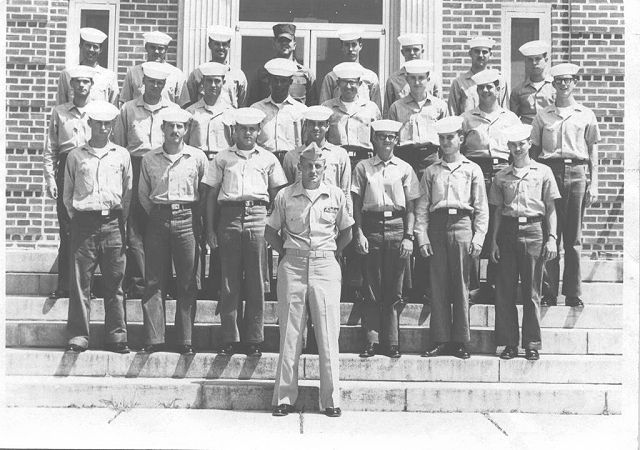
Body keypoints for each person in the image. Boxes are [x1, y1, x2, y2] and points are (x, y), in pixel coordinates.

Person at [266, 143, 353, 418]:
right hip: (293, 264)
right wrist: (290, 253)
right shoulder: (285, 195)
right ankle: (284, 398)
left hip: (325, 264)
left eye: (318, 166)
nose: (313, 170)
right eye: (307, 166)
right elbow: (270, 232)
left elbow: (347, 232)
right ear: (298, 168)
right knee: (290, 334)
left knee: (328, 334)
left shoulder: (335, 195)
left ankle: (330, 400)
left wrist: (328, 254)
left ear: (324, 169)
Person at [203, 107, 288, 356]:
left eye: (252, 129)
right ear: (234, 131)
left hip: (258, 215)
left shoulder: (268, 159)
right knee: (229, 280)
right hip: (229, 216)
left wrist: (274, 226)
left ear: (259, 131)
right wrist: (209, 229)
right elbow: (210, 194)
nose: (247, 133)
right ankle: (229, 337)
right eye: (243, 129)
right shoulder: (221, 158)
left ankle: (254, 338)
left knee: (256, 279)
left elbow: (278, 195)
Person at [414, 116, 488, 359]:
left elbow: (481, 207)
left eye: (450, 138)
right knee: (438, 285)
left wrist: (479, 237)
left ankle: (460, 341)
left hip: (462, 225)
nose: (446, 143)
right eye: (442, 138)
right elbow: (423, 207)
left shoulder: (471, 169)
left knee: (461, 285)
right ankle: (440, 339)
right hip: (437, 226)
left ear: (461, 139)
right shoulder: (432, 171)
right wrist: (422, 237)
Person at [138, 108, 208, 355]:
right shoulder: (149, 158)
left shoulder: (197, 158)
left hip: (187, 218)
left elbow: (203, 192)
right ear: (162, 129)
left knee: (188, 281)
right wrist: (160, 213)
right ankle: (154, 338)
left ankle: (185, 339)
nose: (175, 131)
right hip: (158, 217)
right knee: (154, 279)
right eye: (170, 126)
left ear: (186, 130)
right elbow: (143, 195)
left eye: (180, 127)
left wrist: (192, 216)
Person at [63, 101, 132, 353]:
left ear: (113, 125)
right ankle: (79, 336)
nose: (104, 127)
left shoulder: (122, 155)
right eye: (99, 122)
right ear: (89, 123)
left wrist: (119, 221)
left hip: (112, 222)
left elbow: (128, 192)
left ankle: (117, 336)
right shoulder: (75, 155)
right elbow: (68, 194)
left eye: (108, 123)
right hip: (84, 222)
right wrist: (81, 217)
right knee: (81, 282)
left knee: (116, 282)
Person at [531, 63, 601, 307]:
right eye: (558, 80)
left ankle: (573, 293)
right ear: (553, 84)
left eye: (568, 80)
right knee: (550, 233)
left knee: (573, 237)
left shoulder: (585, 114)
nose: (563, 84)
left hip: (577, 173)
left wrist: (594, 184)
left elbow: (593, 150)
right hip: (550, 172)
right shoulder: (543, 115)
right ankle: (549, 293)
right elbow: (535, 150)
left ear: (575, 83)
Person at [489, 123, 560, 361]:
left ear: (529, 144)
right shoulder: (501, 176)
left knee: (532, 292)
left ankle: (531, 343)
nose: (517, 148)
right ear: (508, 147)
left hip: (534, 231)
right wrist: (494, 242)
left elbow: (550, 209)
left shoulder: (543, 172)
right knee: (505, 292)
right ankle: (509, 343)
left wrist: (551, 238)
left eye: (521, 144)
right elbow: (498, 211)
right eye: (513, 145)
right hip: (508, 232)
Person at [352, 119, 420, 359]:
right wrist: (358, 232)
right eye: (381, 137)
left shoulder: (404, 168)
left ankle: (391, 341)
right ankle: (372, 340)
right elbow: (356, 204)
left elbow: (412, 206)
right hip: (371, 225)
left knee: (394, 286)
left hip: (396, 225)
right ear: (373, 140)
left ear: (397, 141)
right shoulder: (363, 167)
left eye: (391, 137)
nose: (386, 141)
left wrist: (409, 236)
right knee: (371, 286)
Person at [388, 59, 448, 304]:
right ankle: (406, 286)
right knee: (407, 217)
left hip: (431, 159)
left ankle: (425, 285)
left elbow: (446, 137)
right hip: (406, 158)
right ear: (407, 80)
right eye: (412, 78)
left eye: (421, 78)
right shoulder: (397, 107)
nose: (417, 82)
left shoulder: (439, 106)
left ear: (428, 79)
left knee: (426, 218)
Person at [113, 61, 174, 298]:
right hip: (135, 164)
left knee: (161, 224)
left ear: (164, 85)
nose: (155, 87)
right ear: (143, 83)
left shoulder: (172, 109)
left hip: (162, 165)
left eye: (160, 83)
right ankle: (139, 283)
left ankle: (162, 284)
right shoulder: (128, 109)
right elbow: (119, 145)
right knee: (135, 227)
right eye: (151, 82)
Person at [322, 61, 381, 302]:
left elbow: (377, 138)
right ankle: (335, 276)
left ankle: (357, 281)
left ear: (360, 85)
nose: (349, 86)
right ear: (337, 84)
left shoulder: (371, 108)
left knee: (359, 217)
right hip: (337, 162)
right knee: (337, 214)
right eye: (344, 82)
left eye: (354, 83)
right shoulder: (328, 107)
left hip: (363, 162)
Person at [461, 69, 521, 303]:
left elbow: (517, 149)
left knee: (501, 225)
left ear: (499, 89)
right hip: (475, 171)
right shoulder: (467, 118)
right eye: (482, 87)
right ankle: (474, 286)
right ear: (476, 90)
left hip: (502, 171)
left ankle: (496, 283)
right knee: (476, 224)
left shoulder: (510, 118)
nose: (486, 91)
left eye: (491, 86)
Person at [44, 65, 94, 300]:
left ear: (91, 86)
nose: (81, 86)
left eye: (86, 82)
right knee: (67, 229)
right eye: (77, 82)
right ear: (71, 86)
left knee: (90, 229)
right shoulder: (60, 112)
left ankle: (87, 286)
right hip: (65, 167)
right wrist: (50, 178)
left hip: (90, 166)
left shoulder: (98, 112)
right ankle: (65, 285)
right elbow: (51, 148)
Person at [186, 61, 235, 299]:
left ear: (223, 84)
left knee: (217, 225)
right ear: (202, 85)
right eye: (209, 82)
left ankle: (216, 282)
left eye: (217, 81)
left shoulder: (231, 113)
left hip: (222, 168)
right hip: (196, 167)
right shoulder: (191, 112)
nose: (213, 86)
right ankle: (193, 283)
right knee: (195, 224)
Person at [251, 58, 308, 163]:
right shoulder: (256, 109)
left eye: (283, 81)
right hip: (263, 162)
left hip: (292, 163)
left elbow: (306, 142)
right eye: (275, 80)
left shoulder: (301, 111)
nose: (279, 85)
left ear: (290, 82)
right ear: (269, 81)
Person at [247, 23, 317, 106]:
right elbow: (252, 104)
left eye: (288, 40)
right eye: (280, 40)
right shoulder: (262, 72)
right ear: (274, 44)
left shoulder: (306, 74)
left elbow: (312, 105)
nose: (284, 43)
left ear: (294, 45)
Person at [120, 31, 190, 107]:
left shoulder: (176, 74)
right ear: (146, 47)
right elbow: (125, 103)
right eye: (152, 47)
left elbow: (183, 106)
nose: (156, 51)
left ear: (166, 49)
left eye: (160, 48)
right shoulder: (133, 73)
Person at [318, 27, 382, 110]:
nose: (350, 49)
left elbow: (376, 110)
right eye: (347, 45)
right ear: (342, 47)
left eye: (354, 44)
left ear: (360, 46)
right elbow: (324, 109)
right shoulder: (331, 77)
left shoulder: (370, 76)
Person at [186, 25, 247, 108]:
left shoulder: (238, 75)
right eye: (217, 44)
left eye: (224, 44)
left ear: (229, 45)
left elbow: (242, 105)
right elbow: (190, 103)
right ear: (210, 45)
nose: (221, 47)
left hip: (230, 119)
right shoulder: (198, 73)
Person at [383, 33, 442, 117]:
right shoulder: (393, 80)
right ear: (402, 52)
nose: (412, 53)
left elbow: (438, 106)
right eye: (407, 50)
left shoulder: (432, 78)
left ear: (422, 51)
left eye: (415, 49)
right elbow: (387, 112)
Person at [448, 37, 509, 116]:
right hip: (467, 126)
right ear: (470, 53)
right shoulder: (459, 83)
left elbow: (505, 112)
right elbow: (452, 115)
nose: (480, 55)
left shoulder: (499, 81)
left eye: (484, 52)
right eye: (477, 51)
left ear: (490, 54)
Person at [57, 27, 119, 106]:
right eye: (88, 45)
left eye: (95, 47)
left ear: (100, 50)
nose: (91, 50)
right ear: (81, 46)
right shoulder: (67, 74)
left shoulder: (109, 76)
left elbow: (114, 109)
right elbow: (60, 106)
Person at [509, 40, 555, 125]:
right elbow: (513, 120)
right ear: (526, 62)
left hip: (549, 132)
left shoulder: (555, 87)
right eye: (530, 60)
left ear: (546, 60)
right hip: (527, 134)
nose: (534, 63)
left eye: (537, 59)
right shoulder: (518, 91)